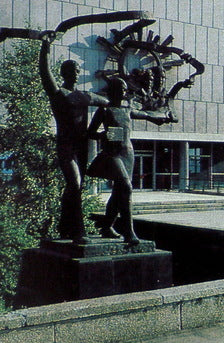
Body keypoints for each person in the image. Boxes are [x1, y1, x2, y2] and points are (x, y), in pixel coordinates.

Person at [86, 77, 176, 246]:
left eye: (125, 89)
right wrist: (102, 135)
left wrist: (162, 117)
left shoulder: (127, 110)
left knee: (118, 192)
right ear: (113, 90)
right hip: (112, 154)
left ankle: (106, 227)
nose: (125, 91)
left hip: (128, 152)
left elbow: (146, 114)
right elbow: (90, 133)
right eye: (122, 88)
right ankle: (129, 232)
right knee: (126, 187)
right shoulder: (104, 110)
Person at [38, 33, 108, 244]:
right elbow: (44, 71)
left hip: (82, 145)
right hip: (66, 146)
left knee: (76, 187)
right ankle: (78, 231)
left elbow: (106, 102)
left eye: (77, 71)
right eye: (72, 71)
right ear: (64, 73)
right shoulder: (58, 94)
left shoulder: (85, 95)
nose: (76, 74)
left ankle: (64, 227)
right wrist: (45, 47)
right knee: (75, 184)